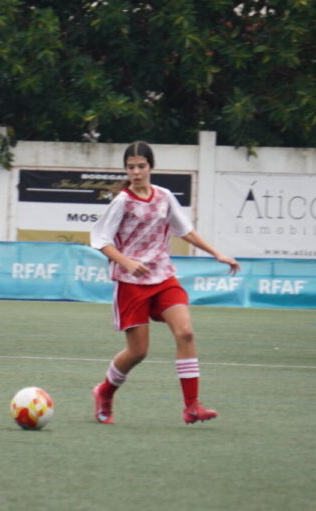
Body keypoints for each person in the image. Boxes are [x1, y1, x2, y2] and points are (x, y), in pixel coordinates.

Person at [90, 141, 240, 425]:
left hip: (163, 277)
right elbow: (99, 241)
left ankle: (192, 406)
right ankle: (105, 392)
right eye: (131, 167)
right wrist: (127, 262)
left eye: (141, 166)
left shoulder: (164, 196)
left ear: (151, 167)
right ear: (126, 169)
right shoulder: (122, 201)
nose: (136, 172)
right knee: (138, 352)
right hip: (131, 282)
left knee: (185, 333)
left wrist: (217, 253)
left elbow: (186, 231)